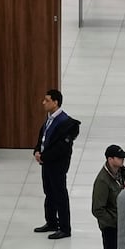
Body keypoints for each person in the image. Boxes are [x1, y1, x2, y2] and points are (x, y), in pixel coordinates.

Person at [33, 89, 81, 238]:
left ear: (56, 102)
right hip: (46, 163)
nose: (44, 103)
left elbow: (61, 148)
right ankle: (52, 221)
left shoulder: (66, 123)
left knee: (60, 194)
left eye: (47, 100)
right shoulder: (49, 119)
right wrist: (36, 151)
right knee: (49, 192)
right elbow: (43, 137)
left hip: (57, 164)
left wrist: (44, 156)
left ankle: (65, 228)